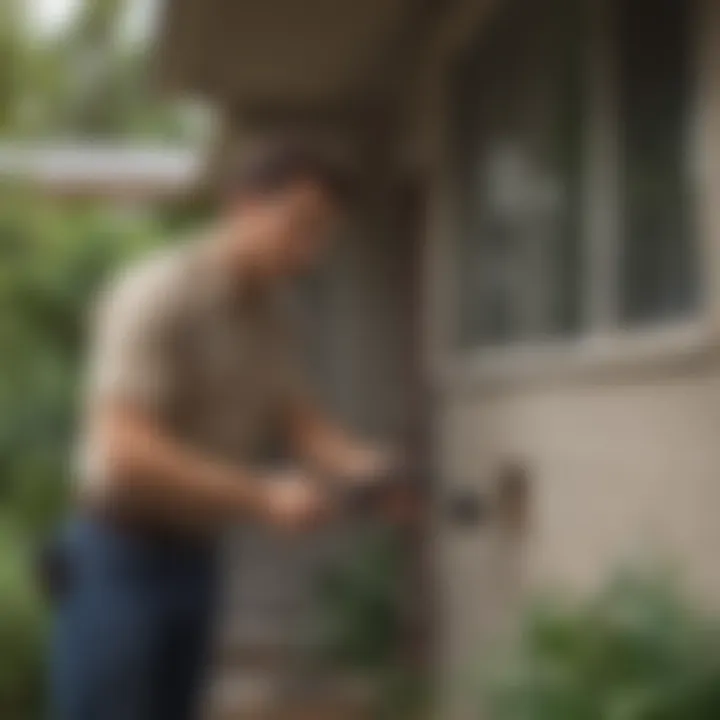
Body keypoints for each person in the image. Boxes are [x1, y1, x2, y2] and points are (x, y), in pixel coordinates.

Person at [48, 142, 395, 720]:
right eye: (299, 226)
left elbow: (303, 424)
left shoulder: (274, 315)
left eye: (323, 234)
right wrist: (263, 495)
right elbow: (125, 450)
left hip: (195, 559)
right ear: (243, 206)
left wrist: (371, 470)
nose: (310, 250)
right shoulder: (158, 293)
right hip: (117, 557)